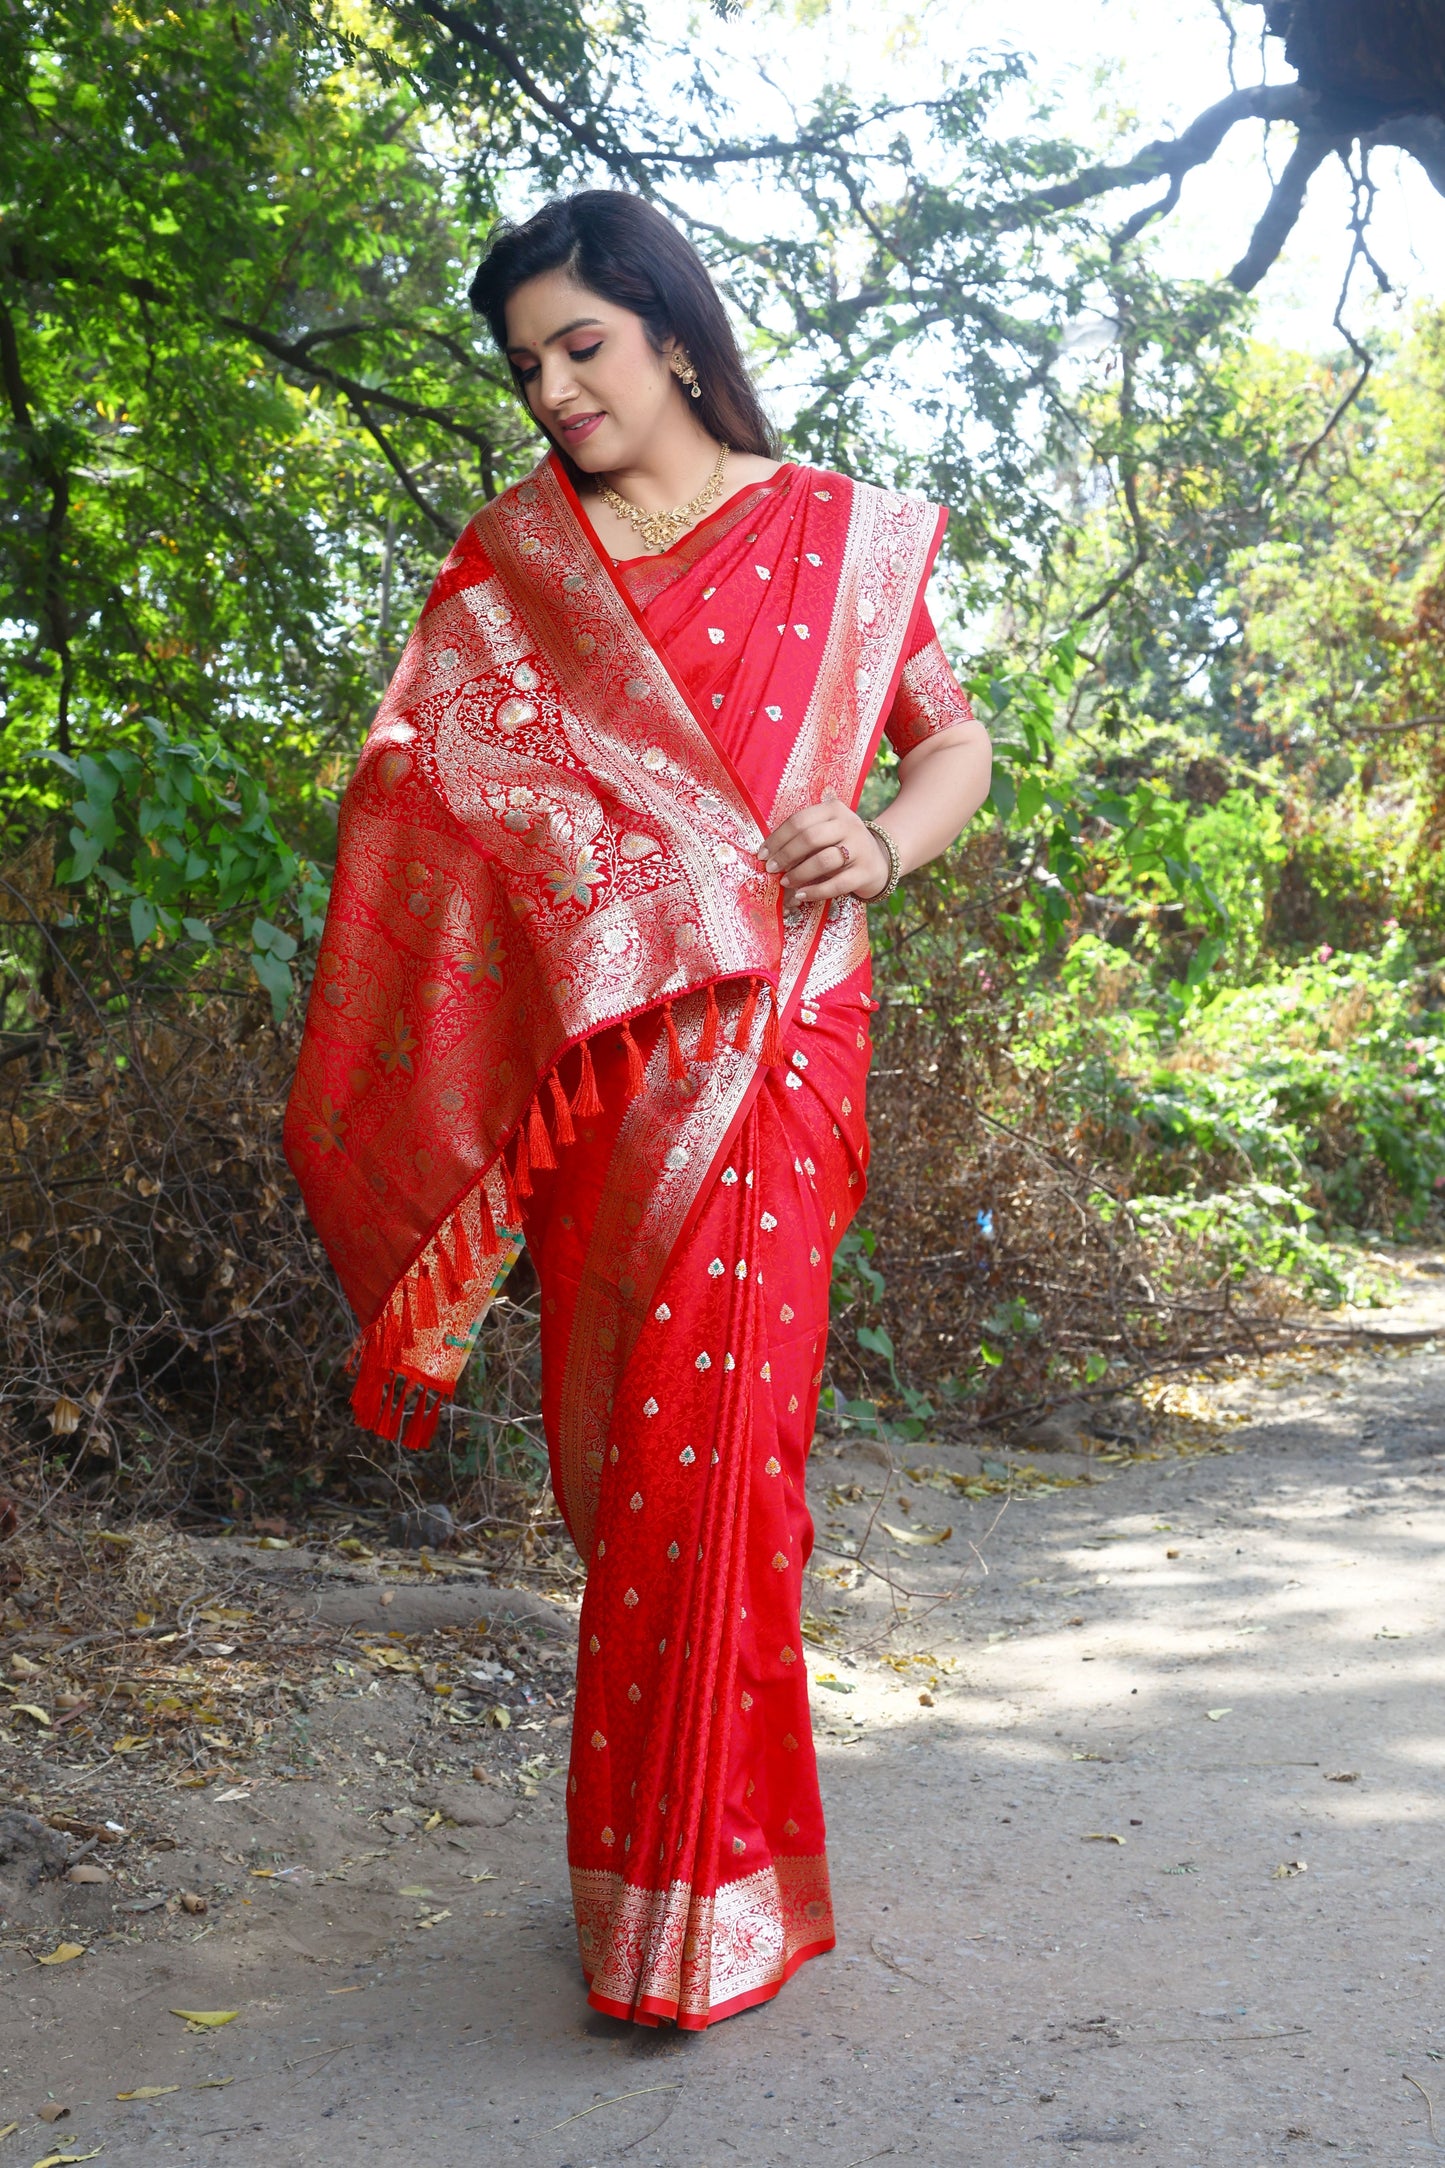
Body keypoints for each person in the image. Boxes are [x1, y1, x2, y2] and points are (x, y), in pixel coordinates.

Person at [284, 189, 991, 2031]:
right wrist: (602, 881)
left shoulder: (838, 537)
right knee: (631, 1476)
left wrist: (883, 842)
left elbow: (951, 739)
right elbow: (420, 796)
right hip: (611, 1078)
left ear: (675, 334)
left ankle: (697, 1906)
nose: (554, 387)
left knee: (733, 1468)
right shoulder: (520, 566)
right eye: (527, 365)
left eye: (581, 344)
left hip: (780, 1051)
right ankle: (662, 1878)